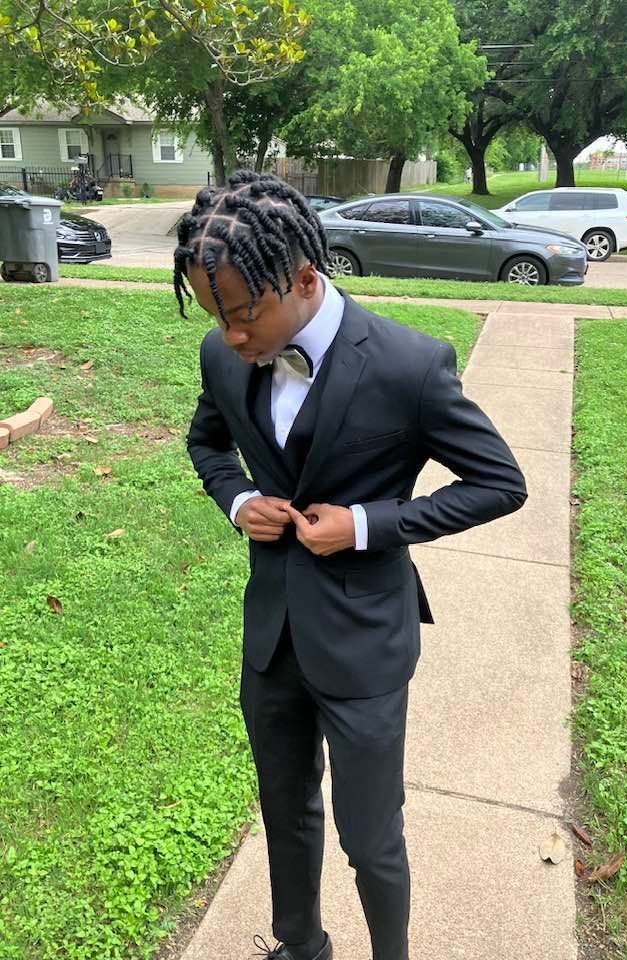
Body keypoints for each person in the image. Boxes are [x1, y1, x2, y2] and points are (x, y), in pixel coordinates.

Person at [176, 169, 528, 960]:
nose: (232, 335)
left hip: (366, 641)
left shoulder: (409, 367)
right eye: (215, 316)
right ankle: (302, 946)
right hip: (273, 638)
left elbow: (501, 484)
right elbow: (206, 441)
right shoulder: (223, 355)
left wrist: (370, 523)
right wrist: (238, 501)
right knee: (285, 810)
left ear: (304, 278)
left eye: (243, 314)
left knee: (371, 840)